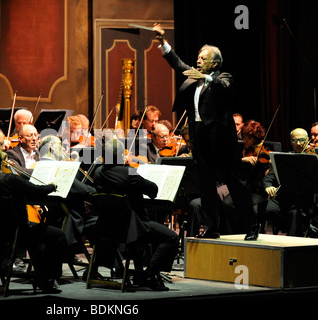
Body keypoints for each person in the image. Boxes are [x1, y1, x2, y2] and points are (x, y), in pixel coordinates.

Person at [153, 23, 259, 240]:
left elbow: (225, 86)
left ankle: (251, 225)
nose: (198, 60)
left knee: (235, 182)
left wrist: (207, 78)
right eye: (198, 57)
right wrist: (163, 42)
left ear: (215, 63)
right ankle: (212, 227)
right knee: (206, 184)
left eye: (203, 58)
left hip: (221, 139)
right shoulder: (194, 77)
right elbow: (177, 63)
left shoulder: (223, 77)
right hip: (200, 137)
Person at [0, 139, 67, 293]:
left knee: (38, 238)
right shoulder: (10, 179)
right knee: (57, 235)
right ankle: (48, 278)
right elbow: (40, 191)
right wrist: (54, 185)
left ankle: (43, 278)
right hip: (16, 234)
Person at [93, 138, 179, 290]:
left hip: (106, 228)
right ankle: (149, 274)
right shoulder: (129, 172)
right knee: (171, 237)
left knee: (143, 229)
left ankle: (139, 271)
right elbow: (153, 190)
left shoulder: (98, 173)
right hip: (132, 229)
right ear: (121, 155)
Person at [262, 128, 317, 236]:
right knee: (256, 210)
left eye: (301, 140)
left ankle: (292, 248)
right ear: (290, 141)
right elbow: (268, 178)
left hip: (306, 203)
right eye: (294, 140)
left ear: (307, 140)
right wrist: (268, 186)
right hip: (283, 201)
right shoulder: (284, 159)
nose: (298, 143)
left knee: (295, 214)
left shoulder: (314, 159)